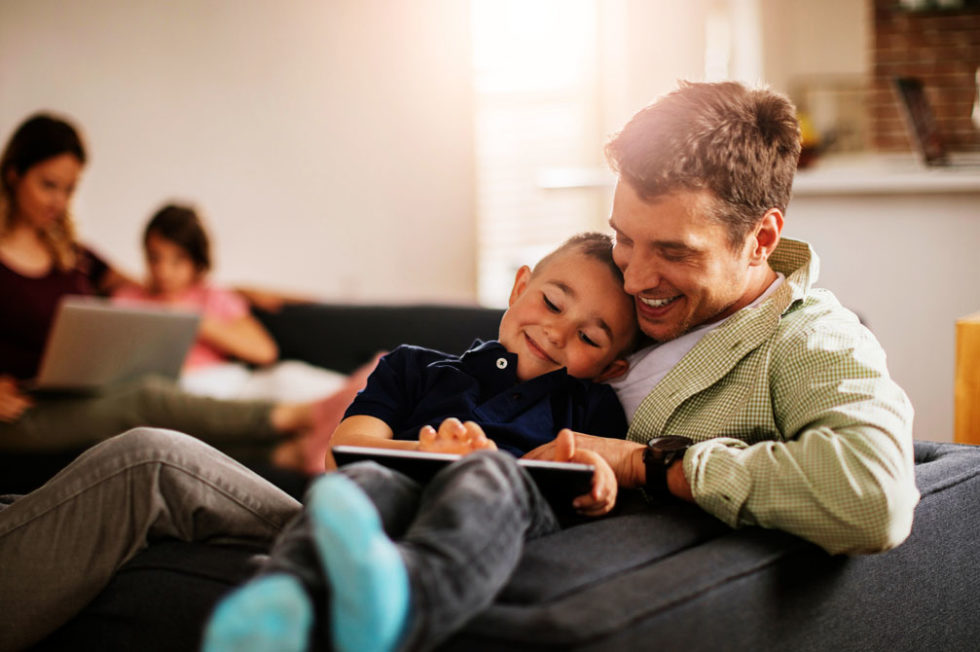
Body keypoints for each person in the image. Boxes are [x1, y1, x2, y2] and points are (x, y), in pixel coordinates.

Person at [0, 80, 921, 649]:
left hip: (490, 521)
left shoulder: (810, 346)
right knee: (148, 458)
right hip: (398, 485)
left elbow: (875, 495)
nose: (637, 277)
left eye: (671, 252)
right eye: (623, 238)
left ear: (761, 236)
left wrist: (653, 464)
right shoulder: (629, 299)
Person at [0, 232, 638, 651]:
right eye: (552, 303)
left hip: (488, 514)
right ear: (520, 286)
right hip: (382, 499)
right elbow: (345, 454)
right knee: (345, 480)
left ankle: (401, 605)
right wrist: (428, 453)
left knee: (487, 473)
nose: (559, 333)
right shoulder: (413, 367)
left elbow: (593, 479)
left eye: (590, 337)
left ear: (612, 366)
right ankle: (277, 607)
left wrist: (591, 476)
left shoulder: (590, 407)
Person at [0, 113, 346, 464]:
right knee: (146, 397)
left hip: (76, 399)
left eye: (69, 189)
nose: (59, 201)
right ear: (14, 174)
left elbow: (156, 289)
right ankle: (300, 415)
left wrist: (236, 291)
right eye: (48, 185)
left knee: (154, 435)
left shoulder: (74, 256)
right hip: (21, 413)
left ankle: (291, 454)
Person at [115, 202, 356, 404]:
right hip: (177, 390)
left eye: (177, 261)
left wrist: (195, 320)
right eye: (155, 258)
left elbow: (264, 352)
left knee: (287, 378)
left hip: (226, 383)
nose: (163, 271)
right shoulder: (128, 299)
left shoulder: (213, 296)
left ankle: (362, 392)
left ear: (196, 261)